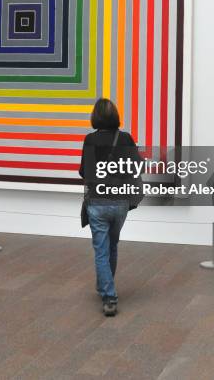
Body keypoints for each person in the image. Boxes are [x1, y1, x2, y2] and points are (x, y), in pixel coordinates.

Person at [79, 98, 143, 316]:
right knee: (112, 245)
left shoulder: (90, 140)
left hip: (98, 202)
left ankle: (109, 297)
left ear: (95, 117)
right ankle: (106, 287)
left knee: (101, 250)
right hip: (120, 203)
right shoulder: (125, 138)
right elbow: (137, 167)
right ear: (115, 115)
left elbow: (83, 172)